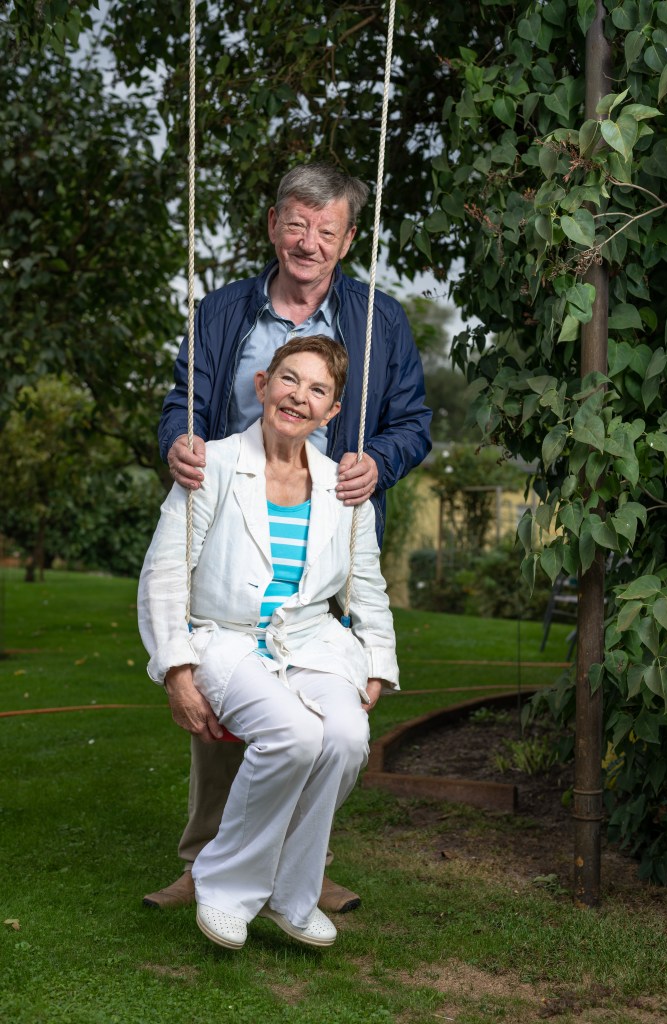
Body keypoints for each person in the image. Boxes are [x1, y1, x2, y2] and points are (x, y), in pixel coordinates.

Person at [143, 163, 431, 913]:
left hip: (323, 530)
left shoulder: (380, 320)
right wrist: (179, 441)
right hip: (228, 519)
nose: (308, 242)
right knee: (226, 698)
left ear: (347, 241)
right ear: (273, 225)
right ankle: (205, 861)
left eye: (325, 230)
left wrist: (378, 462)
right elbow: (183, 402)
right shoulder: (221, 311)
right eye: (296, 224)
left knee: (322, 710)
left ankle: (304, 863)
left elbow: (413, 423)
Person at [138, 337, 399, 949]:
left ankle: (291, 892)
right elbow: (165, 573)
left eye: (317, 390)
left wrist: (378, 660)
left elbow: (366, 583)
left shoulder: (341, 484)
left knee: (345, 737)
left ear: (333, 411)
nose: (299, 397)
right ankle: (226, 887)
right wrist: (176, 671)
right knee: (294, 734)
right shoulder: (213, 465)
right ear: (263, 385)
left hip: (310, 641)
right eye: (289, 379)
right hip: (225, 639)